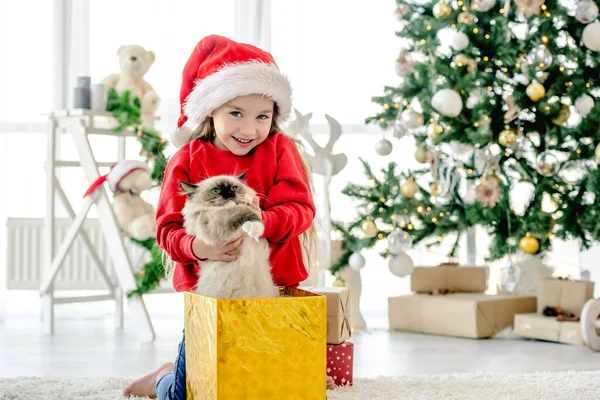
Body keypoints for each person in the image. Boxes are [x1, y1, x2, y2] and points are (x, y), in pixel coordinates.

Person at [123, 35, 335, 399]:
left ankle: (176, 370)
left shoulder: (279, 149)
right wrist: (199, 247)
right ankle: (165, 379)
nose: (249, 129)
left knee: (271, 383)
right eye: (236, 113)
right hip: (212, 297)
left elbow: (300, 209)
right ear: (211, 111)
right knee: (190, 391)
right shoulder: (187, 159)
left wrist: (263, 223)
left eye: (262, 116)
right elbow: (167, 229)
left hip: (272, 290)